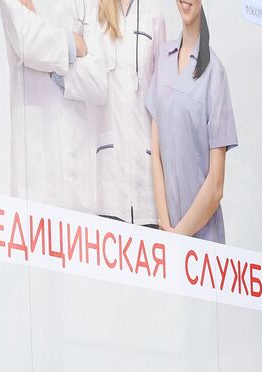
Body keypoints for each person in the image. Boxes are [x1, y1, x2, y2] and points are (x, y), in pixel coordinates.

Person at [0, 0, 106, 213]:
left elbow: (98, 82)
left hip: (77, 175)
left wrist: (51, 65)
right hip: (34, 178)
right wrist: (72, 43)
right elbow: (27, 42)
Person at [146, 0, 235, 242]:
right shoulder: (164, 56)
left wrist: (179, 236)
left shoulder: (215, 73)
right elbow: (156, 153)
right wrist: (165, 226)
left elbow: (216, 186)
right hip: (167, 235)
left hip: (203, 241)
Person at [93, 0, 164, 225]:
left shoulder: (154, 15)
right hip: (108, 178)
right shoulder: (96, 14)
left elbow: (162, 97)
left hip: (146, 179)